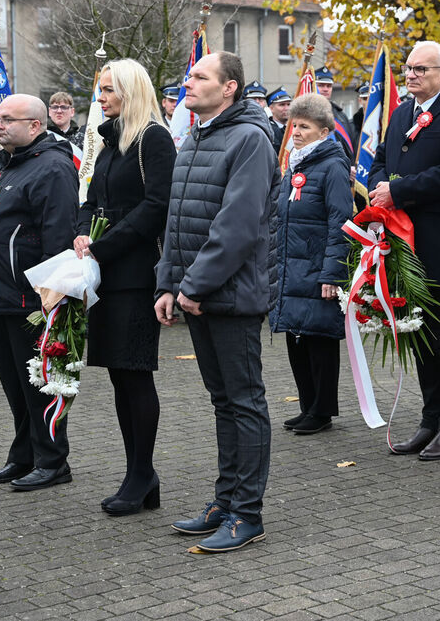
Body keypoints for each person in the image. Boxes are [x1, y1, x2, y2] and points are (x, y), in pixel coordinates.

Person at [156, 51, 279, 553]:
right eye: (189, 76)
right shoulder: (195, 137)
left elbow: (237, 226)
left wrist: (194, 286)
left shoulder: (250, 138)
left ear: (229, 87)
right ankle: (225, 501)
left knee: (245, 403)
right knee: (223, 402)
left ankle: (247, 513)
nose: (188, 83)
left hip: (230, 297)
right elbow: (177, 220)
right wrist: (168, 284)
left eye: (199, 76)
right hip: (197, 295)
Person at [368, 40, 440, 461]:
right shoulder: (402, 113)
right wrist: (381, 187)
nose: (411, 75)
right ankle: (430, 420)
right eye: (409, 68)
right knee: (419, 336)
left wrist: (397, 192)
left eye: (421, 69)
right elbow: (381, 161)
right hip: (403, 245)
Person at [73, 59, 176, 515]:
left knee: (135, 374)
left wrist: (104, 246)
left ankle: (142, 473)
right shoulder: (109, 140)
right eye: (100, 90)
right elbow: (91, 198)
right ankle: (138, 474)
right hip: (106, 272)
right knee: (119, 374)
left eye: (108, 90)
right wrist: (83, 234)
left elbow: (157, 205)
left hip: (135, 274)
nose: (101, 98)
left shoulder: (153, 138)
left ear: (130, 92)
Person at [0, 93, 78, 490]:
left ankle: (53, 461)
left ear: (35, 125)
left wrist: (49, 298)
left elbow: (59, 236)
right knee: (15, 386)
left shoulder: (52, 167)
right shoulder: (4, 164)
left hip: (28, 301)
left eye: (6, 120)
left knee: (39, 386)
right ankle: (24, 456)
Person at [269, 94, 352, 435]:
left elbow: (340, 221)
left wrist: (332, 273)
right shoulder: (296, 164)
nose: (296, 132)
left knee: (319, 339)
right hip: (292, 267)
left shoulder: (332, 166)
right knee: (296, 338)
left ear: (324, 132)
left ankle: (322, 410)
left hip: (318, 269)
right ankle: (307, 406)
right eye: (294, 126)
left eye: (304, 127)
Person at [315, 66, 356, 158]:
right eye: (321, 85)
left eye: (329, 86)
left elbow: (350, 147)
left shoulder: (341, 116)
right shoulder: (306, 114)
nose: (325, 89)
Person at [268, 87, 292, 155]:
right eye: (282, 105)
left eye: (288, 104)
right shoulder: (268, 129)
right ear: (271, 108)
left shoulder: (294, 127)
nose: (286, 108)